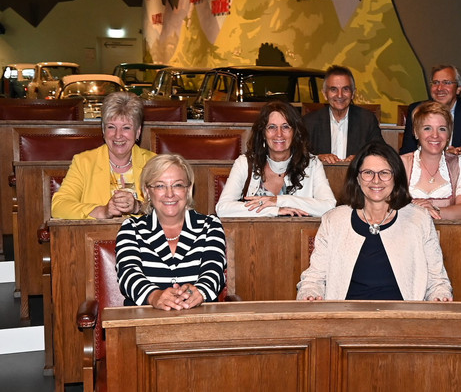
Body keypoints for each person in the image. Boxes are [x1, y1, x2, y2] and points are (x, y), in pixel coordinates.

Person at [296, 141, 453, 301]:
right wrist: (310, 294)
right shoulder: (334, 220)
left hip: (403, 319)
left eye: (384, 173)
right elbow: (313, 279)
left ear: (396, 177)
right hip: (346, 318)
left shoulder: (420, 219)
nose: (376, 180)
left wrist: (440, 297)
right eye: (368, 173)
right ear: (357, 178)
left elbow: (438, 282)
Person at [116, 154, 227, 310]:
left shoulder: (210, 225)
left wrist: (199, 291)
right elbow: (128, 273)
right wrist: (154, 296)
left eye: (177, 185)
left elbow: (214, 269)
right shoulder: (131, 228)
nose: (169, 194)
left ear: (188, 189)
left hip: (199, 322)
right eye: (160, 186)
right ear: (147, 191)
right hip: (144, 324)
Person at [216, 100, 336, 217]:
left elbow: (329, 207)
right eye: (272, 127)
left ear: (295, 132)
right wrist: (275, 210)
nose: (279, 134)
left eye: (286, 127)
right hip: (252, 234)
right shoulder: (244, 163)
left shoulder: (312, 164)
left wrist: (278, 200)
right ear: (263, 133)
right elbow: (222, 208)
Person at [51, 91, 156, 219]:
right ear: (103, 130)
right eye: (111, 127)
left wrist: (138, 207)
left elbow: (171, 207)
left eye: (126, 128)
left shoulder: (154, 163)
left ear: (138, 132)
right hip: (94, 237)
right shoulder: (83, 162)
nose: (118, 135)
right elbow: (59, 207)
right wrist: (102, 211)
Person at [400, 65, 461, 165]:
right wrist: (441, 155)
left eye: (446, 83)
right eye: (435, 83)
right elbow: (407, 153)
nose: (439, 88)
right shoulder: (418, 110)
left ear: (458, 88)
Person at [401, 101, 461, 219]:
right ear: (416, 132)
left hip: (449, 235)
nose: (435, 135)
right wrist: (416, 209)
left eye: (442, 129)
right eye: (427, 128)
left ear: (448, 135)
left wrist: (433, 210)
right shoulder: (400, 163)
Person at [303, 65, 384, 164]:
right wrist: (318, 158)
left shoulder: (367, 120)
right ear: (324, 94)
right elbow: (298, 155)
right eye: (333, 89)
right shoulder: (309, 122)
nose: (340, 95)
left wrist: (361, 158)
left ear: (353, 93)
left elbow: (380, 152)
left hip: (355, 177)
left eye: (345, 89)